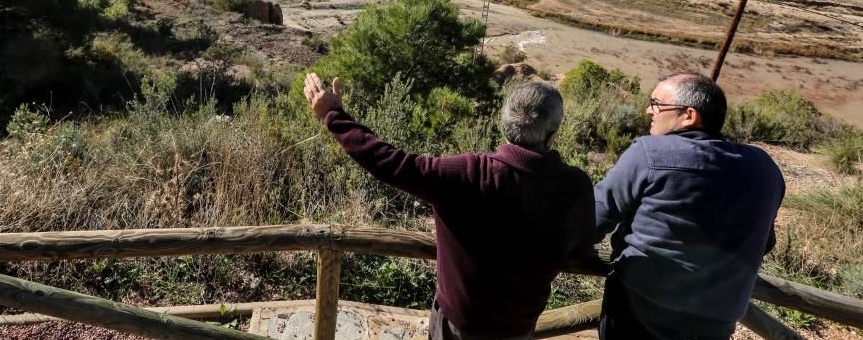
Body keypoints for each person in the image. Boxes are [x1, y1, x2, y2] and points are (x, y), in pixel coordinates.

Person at [303, 72, 595, 340]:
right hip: (517, 330)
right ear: (552, 134)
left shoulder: (471, 174)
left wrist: (333, 115)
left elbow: (390, 163)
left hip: (455, 328)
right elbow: (580, 248)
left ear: (504, 125)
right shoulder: (576, 187)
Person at [593, 72, 785, 340]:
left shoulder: (651, 153)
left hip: (640, 313)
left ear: (689, 116)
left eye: (657, 104)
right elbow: (764, 242)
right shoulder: (765, 168)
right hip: (717, 320)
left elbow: (594, 217)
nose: (649, 110)